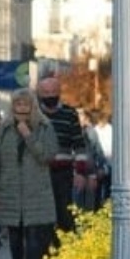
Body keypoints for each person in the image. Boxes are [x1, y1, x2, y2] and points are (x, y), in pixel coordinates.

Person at [0, 87, 60, 259]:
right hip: (10, 196)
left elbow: (47, 156)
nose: (21, 108)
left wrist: (28, 135)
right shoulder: (4, 130)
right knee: (16, 247)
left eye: (25, 104)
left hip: (37, 196)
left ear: (33, 106)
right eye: (17, 104)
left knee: (36, 246)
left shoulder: (45, 127)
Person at [35, 72, 90, 236]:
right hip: (39, 172)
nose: (50, 96)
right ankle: (44, 251)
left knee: (64, 213)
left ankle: (64, 250)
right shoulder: (34, 115)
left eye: (53, 93)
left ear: (59, 93)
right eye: (46, 93)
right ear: (39, 94)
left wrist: (80, 172)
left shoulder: (69, 113)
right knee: (42, 214)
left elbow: (79, 144)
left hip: (63, 173)